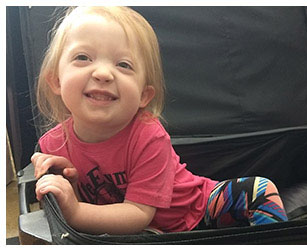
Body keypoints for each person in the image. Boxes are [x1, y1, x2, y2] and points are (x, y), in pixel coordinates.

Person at [32, 6, 287, 235]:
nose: (102, 73)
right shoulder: (52, 146)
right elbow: (78, 214)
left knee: (260, 190)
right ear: (55, 80)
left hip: (200, 210)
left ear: (144, 95)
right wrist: (68, 184)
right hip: (146, 234)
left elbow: (137, 213)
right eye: (83, 58)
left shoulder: (147, 133)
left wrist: (75, 211)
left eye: (123, 64)